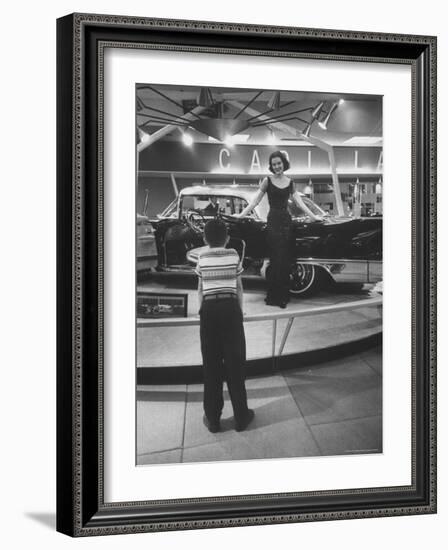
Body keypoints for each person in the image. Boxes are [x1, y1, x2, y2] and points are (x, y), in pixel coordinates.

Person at [237, 151, 320, 308]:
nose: (277, 167)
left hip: (286, 223)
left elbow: (300, 203)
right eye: (274, 164)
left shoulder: (290, 182)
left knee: (285, 260)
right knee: (275, 260)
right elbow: (254, 201)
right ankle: (273, 296)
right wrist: (240, 215)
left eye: (279, 163)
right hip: (273, 222)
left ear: (284, 163)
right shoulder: (267, 181)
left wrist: (314, 217)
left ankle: (283, 296)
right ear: (271, 166)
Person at [195, 219, 255, 433]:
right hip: (230, 308)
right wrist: (239, 311)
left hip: (209, 310)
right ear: (227, 238)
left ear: (204, 239)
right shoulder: (233, 255)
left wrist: (203, 312)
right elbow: (238, 287)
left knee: (211, 366)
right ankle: (241, 417)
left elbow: (200, 289)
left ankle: (213, 419)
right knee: (235, 364)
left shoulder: (201, 256)